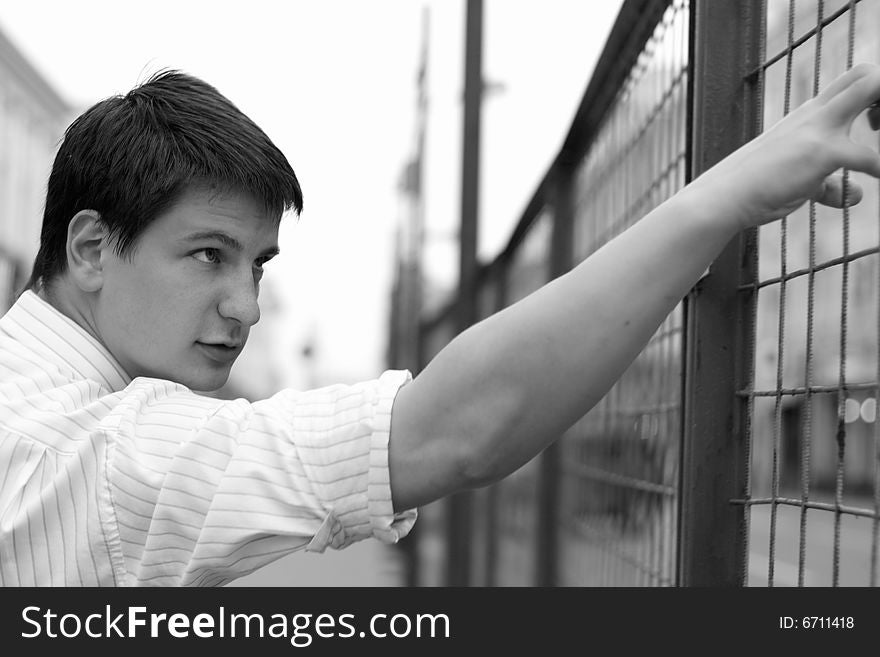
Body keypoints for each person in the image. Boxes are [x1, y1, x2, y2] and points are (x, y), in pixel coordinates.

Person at [1, 64, 879, 587]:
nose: (245, 304)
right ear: (90, 246)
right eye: (207, 254)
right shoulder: (89, 454)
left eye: (257, 264)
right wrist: (729, 194)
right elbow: (456, 430)